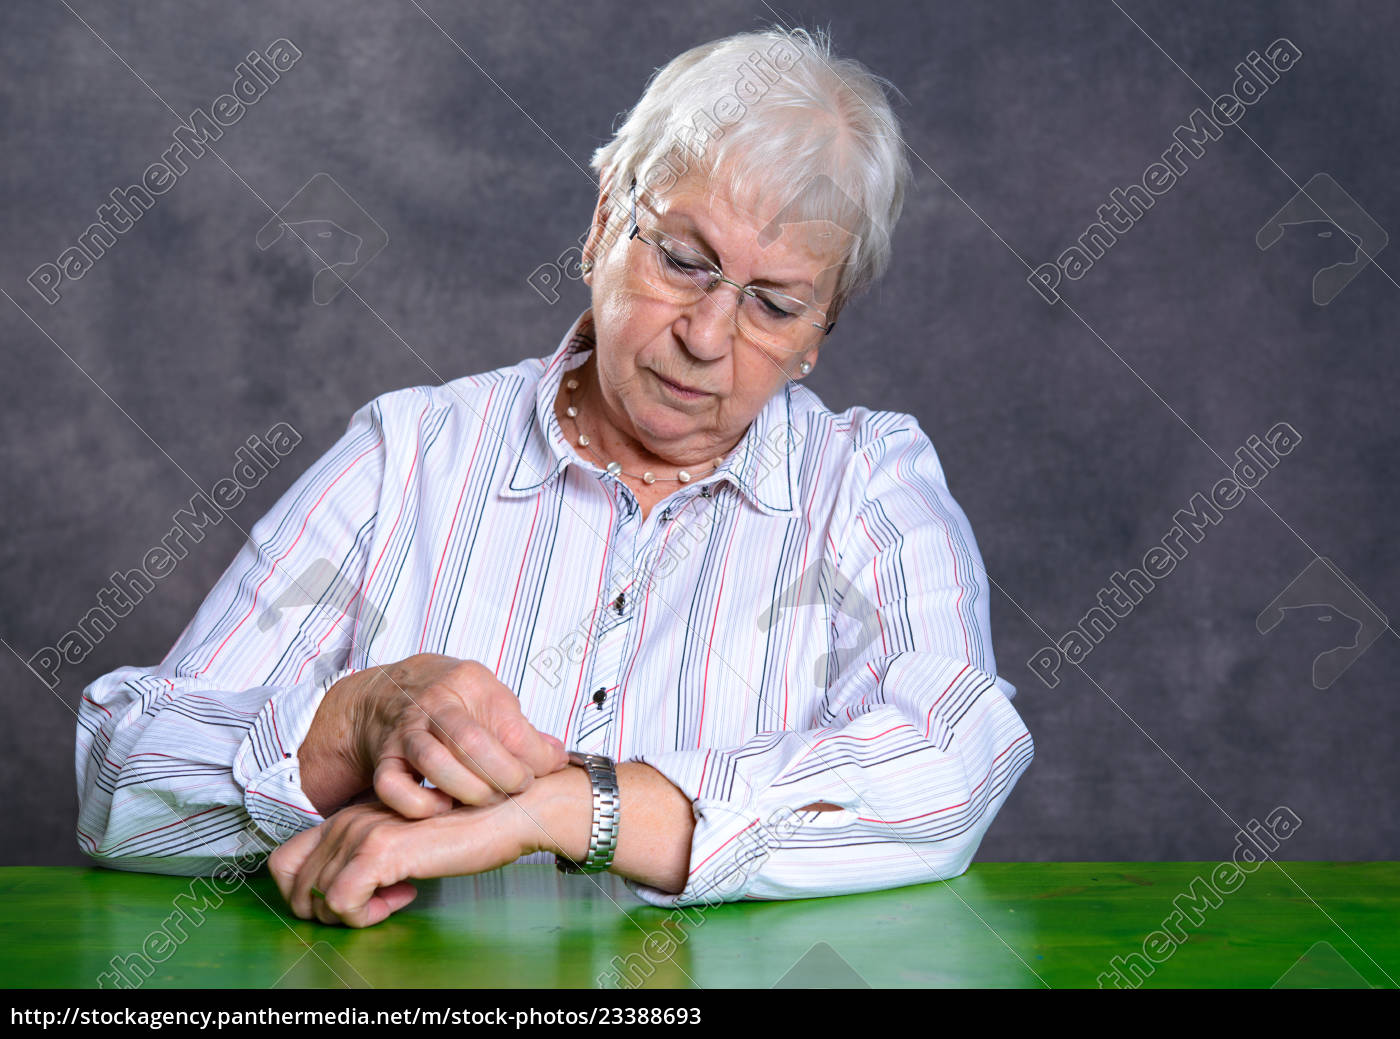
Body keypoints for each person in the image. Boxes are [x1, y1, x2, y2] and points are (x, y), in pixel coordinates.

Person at [75, 24, 1033, 928]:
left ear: (822, 333)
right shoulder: (406, 454)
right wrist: (356, 724)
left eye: (775, 305)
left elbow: (953, 768)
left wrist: (571, 810)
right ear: (604, 219)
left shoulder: (868, 483)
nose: (706, 338)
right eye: (685, 260)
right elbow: (118, 782)